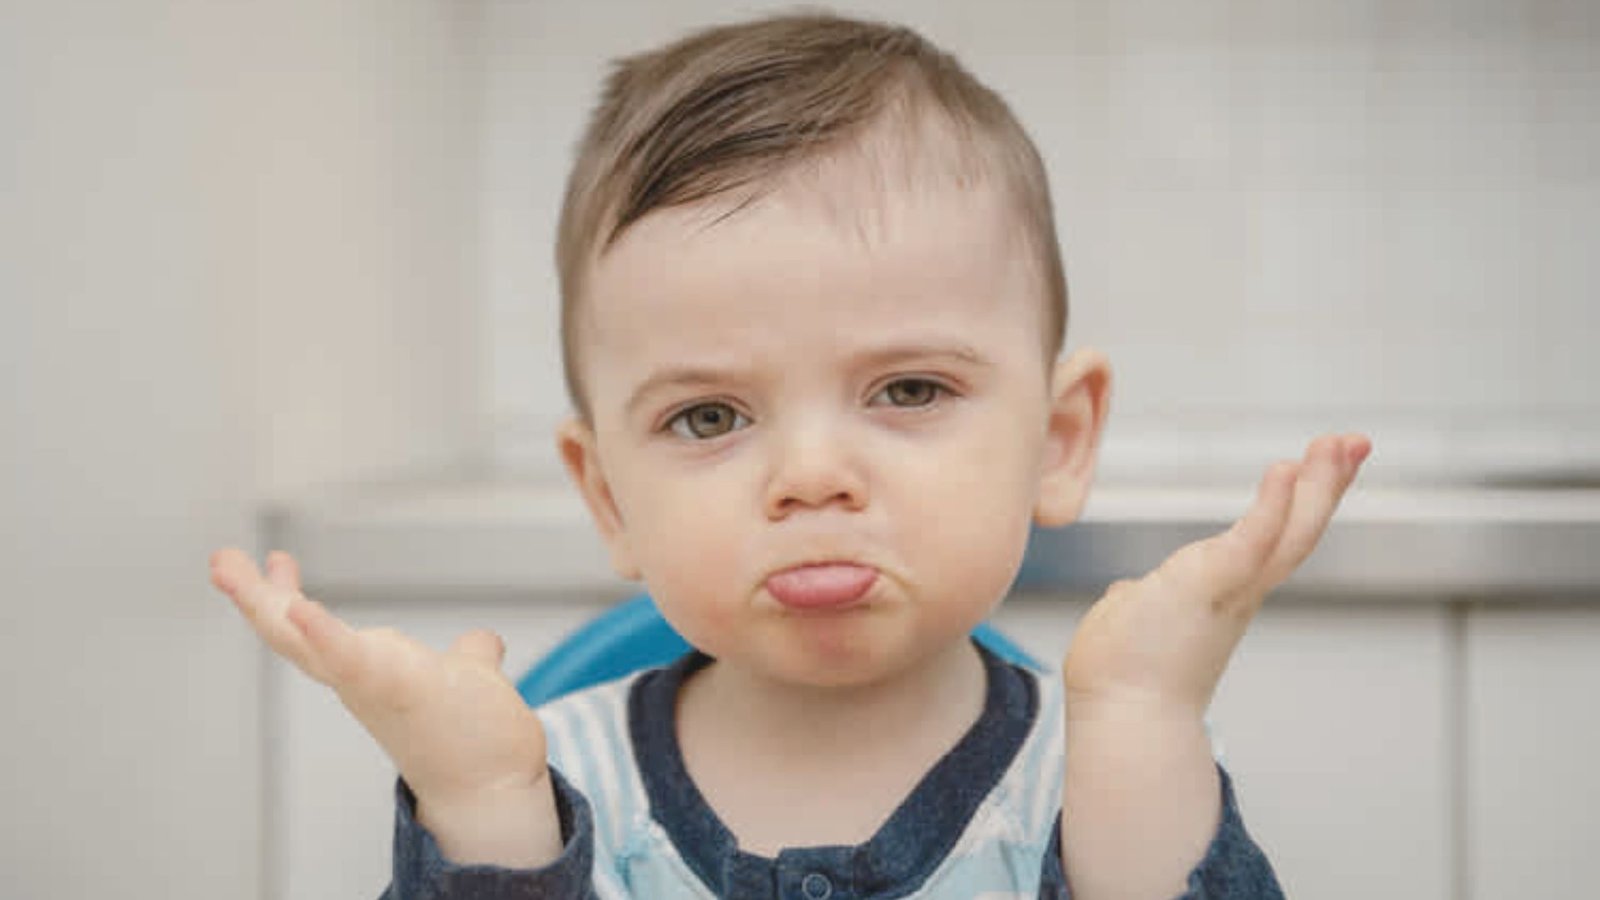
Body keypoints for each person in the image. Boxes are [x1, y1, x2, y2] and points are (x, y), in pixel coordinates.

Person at [210, 11, 1371, 899]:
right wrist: (480, 806)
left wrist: (1141, 718)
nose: (811, 478)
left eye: (908, 389)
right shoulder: (548, 780)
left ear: (1057, 442)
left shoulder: (1107, 763)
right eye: (709, 418)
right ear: (607, 496)